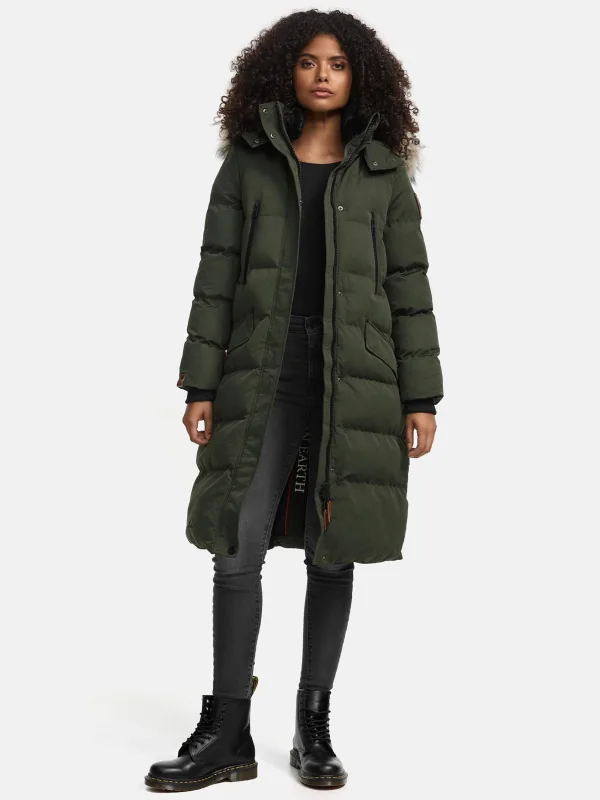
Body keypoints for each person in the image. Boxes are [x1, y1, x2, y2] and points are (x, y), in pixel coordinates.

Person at [145, 9, 443, 793]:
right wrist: (201, 383)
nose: (322, 75)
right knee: (236, 542)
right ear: (284, 71)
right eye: (309, 61)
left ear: (360, 77)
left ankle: (314, 728)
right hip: (263, 370)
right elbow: (216, 279)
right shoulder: (247, 167)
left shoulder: (383, 174)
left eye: (337, 64)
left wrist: (421, 398)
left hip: (356, 377)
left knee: (332, 545)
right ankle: (227, 730)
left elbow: (409, 291)